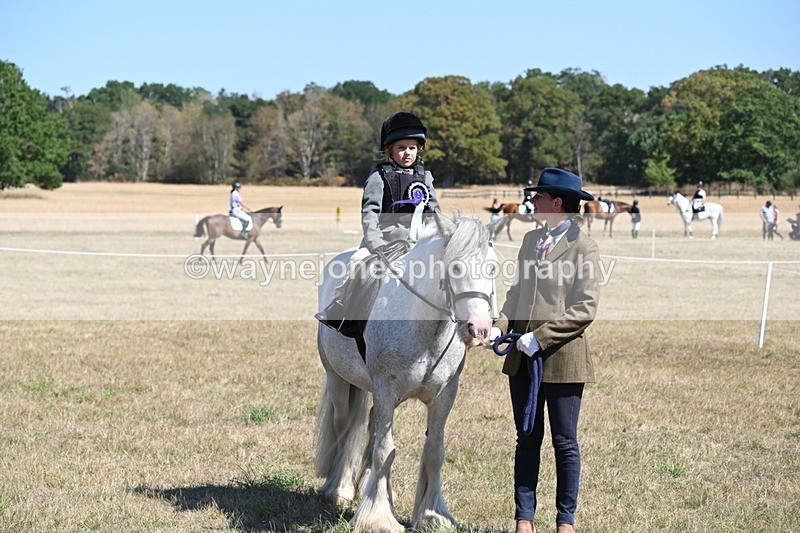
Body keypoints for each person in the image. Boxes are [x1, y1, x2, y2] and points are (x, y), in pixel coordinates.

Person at [491, 168, 600, 533]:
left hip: (564, 359)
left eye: (537, 197)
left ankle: (565, 522)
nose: (532, 201)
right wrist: (501, 325)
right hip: (522, 360)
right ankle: (524, 519)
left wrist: (539, 338)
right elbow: (516, 293)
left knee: (564, 443)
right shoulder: (530, 241)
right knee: (526, 439)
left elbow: (585, 309)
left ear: (557, 202)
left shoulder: (584, 247)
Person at [315, 111, 441, 329]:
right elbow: (369, 214)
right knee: (357, 262)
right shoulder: (379, 176)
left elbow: (435, 212)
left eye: (412, 148)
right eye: (401, 147)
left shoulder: (425, 176)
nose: (407, 153)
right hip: (386, 242)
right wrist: (376, 245)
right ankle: (340, 306)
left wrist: (442, 238)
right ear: (389, 149)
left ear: (419, 149)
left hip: (419, 242)